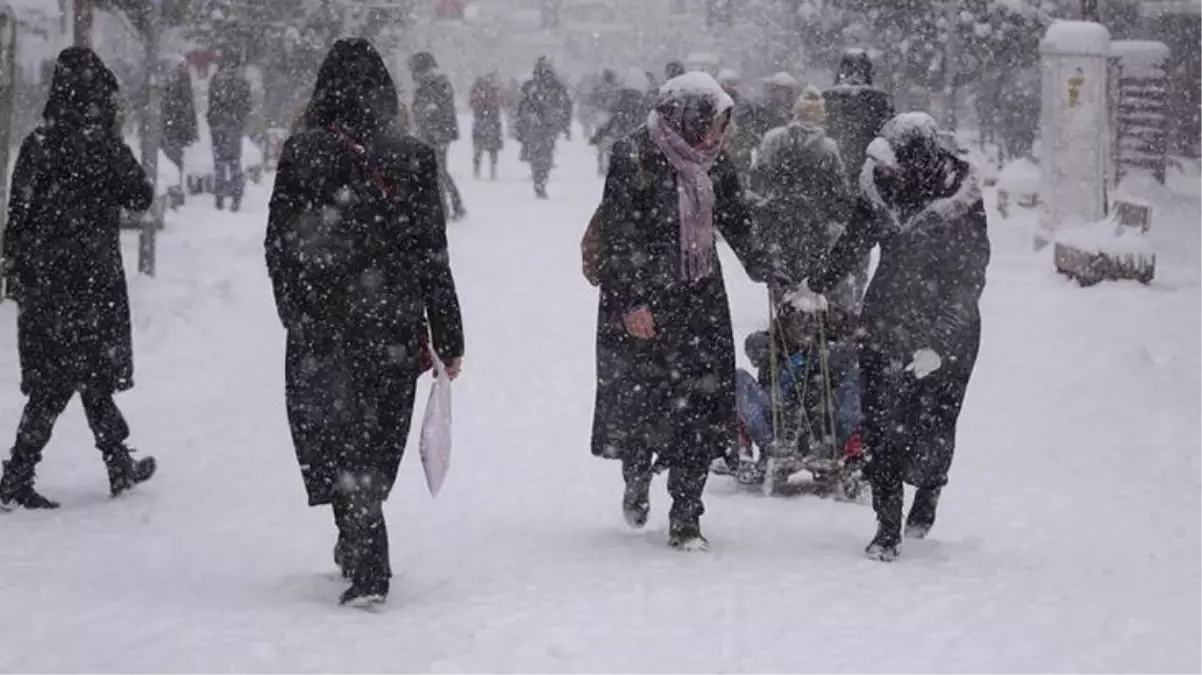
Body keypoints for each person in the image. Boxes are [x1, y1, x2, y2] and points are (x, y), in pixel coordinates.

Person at [265, 38, 465, 606]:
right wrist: (447, 336)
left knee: (335, 439)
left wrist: (294, 310)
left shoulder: (302, 154)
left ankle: (360, 542)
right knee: (375, 443)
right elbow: (433, 254)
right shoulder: (412, 155)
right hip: (394, 327)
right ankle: (364, 541)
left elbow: (278, 243)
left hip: (322, 328)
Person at [590, 72, 774, 551]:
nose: (722, 134)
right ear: (687, 117)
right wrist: (632, 301)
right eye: (716, 122)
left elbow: (736, 221)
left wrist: (770, 269)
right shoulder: (634, 155)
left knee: (699, 406)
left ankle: (687, 514)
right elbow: (619, 233)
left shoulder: (714, 162)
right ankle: (636, 476)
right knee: (642, 401)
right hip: (644, 301)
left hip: (698, 299)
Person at [807, 113, 990, 562]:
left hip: (949, 326)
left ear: (917, 160)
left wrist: (939, 343)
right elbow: (853, 243)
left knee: (933, 424)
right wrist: (812, 284)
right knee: (882, 425)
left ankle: (928, 491)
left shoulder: (960, 199)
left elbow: (971, 276)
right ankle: (886, 525)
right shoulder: (880, 190)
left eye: (893, 165)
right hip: (886, 320)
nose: (885, 172)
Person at [0, 47, 157, 510]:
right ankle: (20, 474)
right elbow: (140, 195)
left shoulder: (38, 144)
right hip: (93, 282)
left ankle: (108, 463)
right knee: (82, 374)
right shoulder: (103, 146)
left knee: (71, 375)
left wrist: (16, 272)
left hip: (46, 283)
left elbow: (18, 214)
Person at [410, 51, 466, 220]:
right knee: (438, 169)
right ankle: (452, 205)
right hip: (429, 132)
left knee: (437, 170)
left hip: (438, 134)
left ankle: (445, 207)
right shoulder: (426, 84)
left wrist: (436, 127)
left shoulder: (437, 83)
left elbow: (444, 109)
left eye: (415, 69)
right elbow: (420, 108)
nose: (414, 74)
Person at [517, 56, 572, 199]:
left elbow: (522, 107)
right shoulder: (556, 85)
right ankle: (541, 181)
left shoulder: (530, 85)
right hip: (547, 124)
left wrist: (522, 122)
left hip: (537, 124)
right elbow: (566, 105)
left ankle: (539, 180)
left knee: (538, 154)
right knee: (545, 154)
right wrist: (565, 124)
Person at [208, 50, 253, 212]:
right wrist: (238, 120)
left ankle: (220, 196)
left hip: (219, 126)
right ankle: (235, 196)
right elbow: (246, 106)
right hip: (233, 126)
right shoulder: (242, 82)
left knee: (219, 162)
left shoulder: (216, 80)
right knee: (234, 161)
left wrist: (214, 121)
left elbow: (212, 103)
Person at [589, 67, 650, 176]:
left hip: (614, 123)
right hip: (629, 126)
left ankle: (603, 165)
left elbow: (610, 110)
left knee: (607, 146)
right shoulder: (636, 96)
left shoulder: (609, 91)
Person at [470, 71, 504, 180]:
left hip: (483, 123)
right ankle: (490, 171)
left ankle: (479, 170)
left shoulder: (479, 91)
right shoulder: (493, 92)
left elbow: (473, 105)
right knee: (489, 150)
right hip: (490, 124)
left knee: (479, 149)